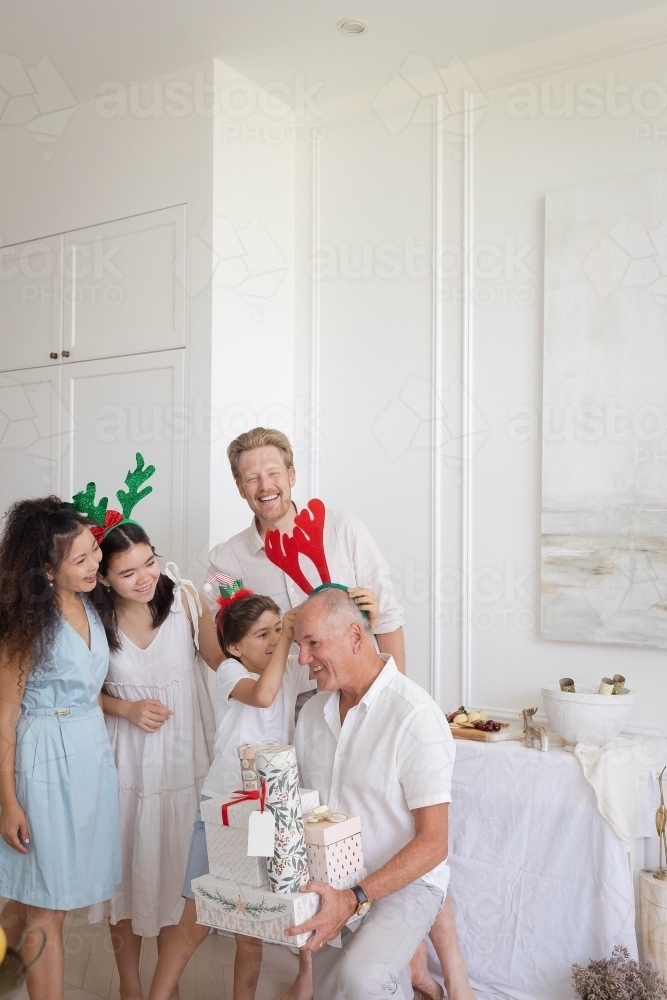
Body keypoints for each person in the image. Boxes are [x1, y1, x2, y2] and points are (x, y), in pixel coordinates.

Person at [148, 584, 377, 1000]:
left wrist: (359, 618)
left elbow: (337, 655)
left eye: (277, 629)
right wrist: (288, 635)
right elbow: (264, 694)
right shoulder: (230, 674)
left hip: (267, 815)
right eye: (263, 634)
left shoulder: (289, 665)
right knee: (196, 917)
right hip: (226, 814)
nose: (275, 640)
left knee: (252, 929)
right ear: (234, 647)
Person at [290, 587, 454, 1000]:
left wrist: (355, 897)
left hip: (407, 883)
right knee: (332, 990)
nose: (302, 659)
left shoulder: (415, 715)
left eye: (312, 644)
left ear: (355, 638)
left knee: (363, 978)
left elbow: (434, 844)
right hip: (335, 879)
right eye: (299, 645)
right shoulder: (311, 714)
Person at [93, 522, 222, 1000]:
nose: (144, 577)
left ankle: (163, 991)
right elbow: (82, 691)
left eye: (149, 562)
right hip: (126, 764)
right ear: (103, 577)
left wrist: (254, 631)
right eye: (127, 573)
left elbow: (217, 659)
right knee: (125, 877)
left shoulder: (186, 600)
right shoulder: (93, 619)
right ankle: (130, 985)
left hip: (186, 761)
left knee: (178, 878)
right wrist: (125, 708)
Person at [0, 498, 121, 1000]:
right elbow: (4, 715)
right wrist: (7, 802)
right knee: (46, 905)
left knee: (43, 896)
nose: (95, 563)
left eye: (94, 550)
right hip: (43, 763)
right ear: (47, 571)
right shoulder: (26, 623)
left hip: (89, 759)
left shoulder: (92, 603)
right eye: (80, 560)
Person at [207, 427, 406, 670]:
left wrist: (395, 696)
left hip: (360, 693)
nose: (265, 486)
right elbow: (228, 644)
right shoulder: (227, 562)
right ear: (240, 487)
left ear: (291, 475)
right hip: (287, 703)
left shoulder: (343, 529)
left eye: (273, 473)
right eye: (252, 478)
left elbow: (387, 618)